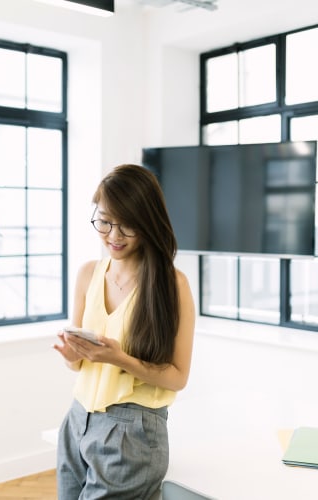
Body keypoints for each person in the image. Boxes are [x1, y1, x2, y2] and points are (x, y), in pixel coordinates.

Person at [53, 164, 195, 499]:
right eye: (104, 221)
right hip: (77, 418)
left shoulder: (172, 285)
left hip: (132, 432)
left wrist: (120, 358)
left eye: (127, 225)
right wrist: (73, 356)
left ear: (147, 222)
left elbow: (177, 377)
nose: (113, 236)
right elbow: (79, 365)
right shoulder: (88, 273)